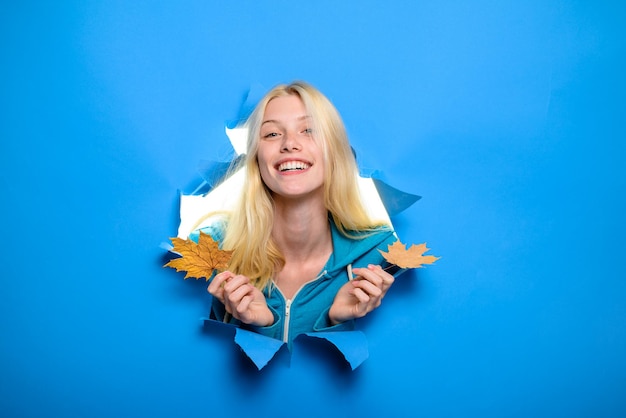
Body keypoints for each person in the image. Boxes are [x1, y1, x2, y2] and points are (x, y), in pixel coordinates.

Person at [196, 81, 403, 347]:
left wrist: (335, 321)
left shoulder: (381, 255)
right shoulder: (210, 252)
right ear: (256, 157)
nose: (290, 144)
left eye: (309, 130)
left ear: (335, 151)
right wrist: (255, 324)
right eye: (271, 134)